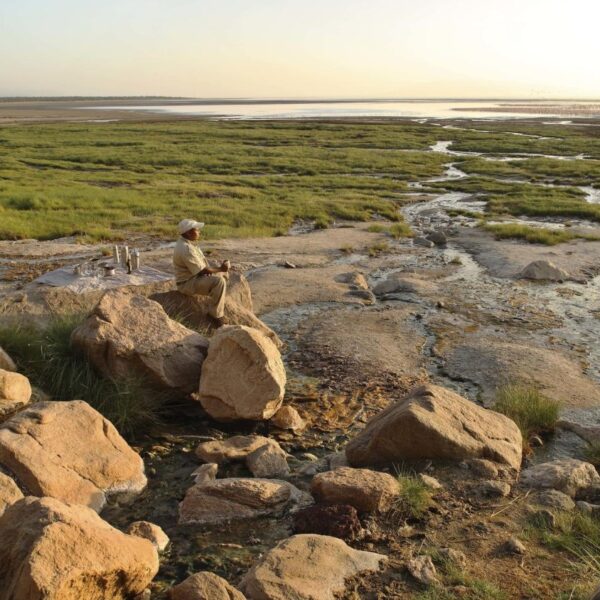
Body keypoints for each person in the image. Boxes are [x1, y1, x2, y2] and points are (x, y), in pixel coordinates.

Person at [173, 218, 229, 326]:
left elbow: (201, 267)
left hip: (194, 277)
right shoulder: (186, 248)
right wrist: (221, 269)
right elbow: (203, 270)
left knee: (222, 275)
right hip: (187, 283)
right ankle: (215, 315)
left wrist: (219, 270)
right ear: (189, 232)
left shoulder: (187, 243)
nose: (199, 232)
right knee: (219, 282)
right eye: (197, 229)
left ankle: (218, 301)